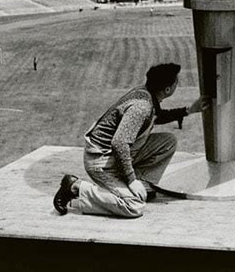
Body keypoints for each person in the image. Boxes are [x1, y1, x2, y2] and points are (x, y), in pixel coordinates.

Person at [53, 63, 208, 218]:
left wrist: (189, 110)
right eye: (175, 81)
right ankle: (75, 188)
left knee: (168, 141)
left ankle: (143, 186)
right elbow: (119, 143)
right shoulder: (141, 107)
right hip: (101, 162)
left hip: (112, 155)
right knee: (133, 206)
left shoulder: (146, 94)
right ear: (167, 89)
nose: (177, 83)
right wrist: (131, 180)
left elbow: (156, 116)